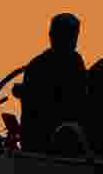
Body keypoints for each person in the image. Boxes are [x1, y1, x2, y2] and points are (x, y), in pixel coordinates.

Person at [15, 13, 88, 152]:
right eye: (69, 35)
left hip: (65, 136)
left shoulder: (76, 61)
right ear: (52, 35)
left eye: (74, 35)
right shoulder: (38, 65)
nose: (73, 39)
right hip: (42, 140)